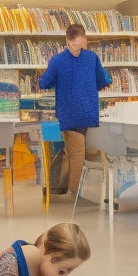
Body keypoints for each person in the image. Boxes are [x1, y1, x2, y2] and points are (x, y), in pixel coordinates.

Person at [38, 23, 112, 198]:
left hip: (87, 115)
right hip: (72, 117)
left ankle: (62, 187)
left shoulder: (91, 58)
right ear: (67, 40)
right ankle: (76, 193)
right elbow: (44, 83)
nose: (76, 50)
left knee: (78, 153)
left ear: (85, 41)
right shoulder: (58, 61)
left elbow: (102, 80)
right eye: (72, 46)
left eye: (79, 46)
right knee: (78, 155)